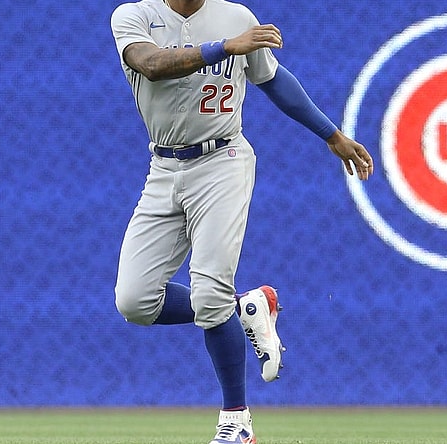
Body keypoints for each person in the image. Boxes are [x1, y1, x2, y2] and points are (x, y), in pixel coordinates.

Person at [110, 0, 373, 442]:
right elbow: (151, 64)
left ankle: (237, 423)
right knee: (134, 302)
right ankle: (245, 306)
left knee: (209, 291)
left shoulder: (237, 15)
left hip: (223, 160)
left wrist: (333, 134)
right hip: (164, 166)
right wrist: (225, 47)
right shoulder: (133, 15)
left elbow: (273, 80)